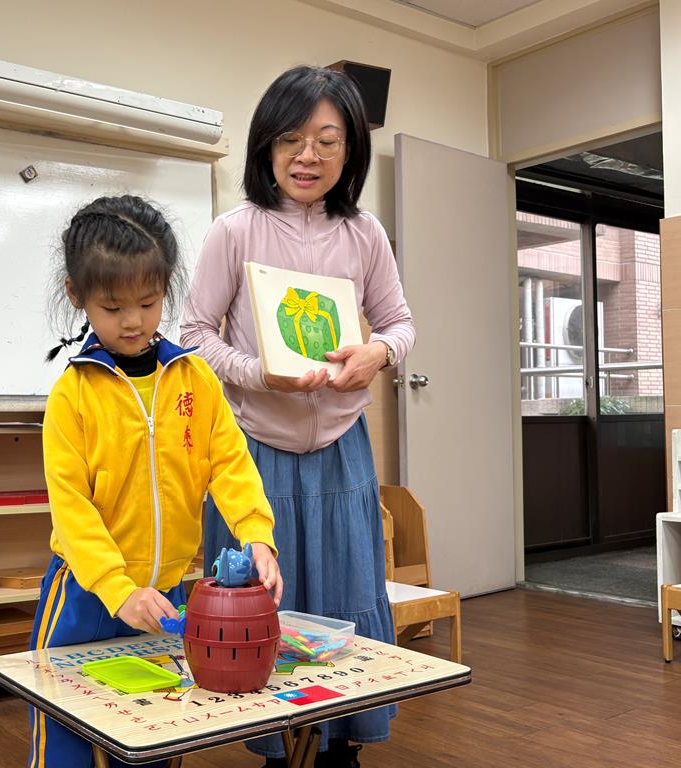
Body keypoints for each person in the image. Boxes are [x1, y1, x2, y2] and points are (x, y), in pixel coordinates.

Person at [180, 66, 415, 768]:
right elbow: (194, 335)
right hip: (254, 451)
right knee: (260, 604)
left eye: (326, 141)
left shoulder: (366, 234)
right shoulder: (234, 230)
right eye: (290, 139)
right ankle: (276, 751)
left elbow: (400, 324)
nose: (307, 156)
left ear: (349, 151)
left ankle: (342, 746)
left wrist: (377, 353)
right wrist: (259, 373)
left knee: (349, 593)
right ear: (266, 146)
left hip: (342, 447)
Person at [32, 194, 284, 768]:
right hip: (84, 595)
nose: (133, 321)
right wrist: (117, 590)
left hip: (166, 597)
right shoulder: (73, 395)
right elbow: (71, 508)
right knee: (67, 738)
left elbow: (230, 464)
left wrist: (256, 534)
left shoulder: (193, 379)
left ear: (166, 289)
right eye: (112, 306)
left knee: (155, 736)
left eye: (148, 303)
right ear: (76, 295)